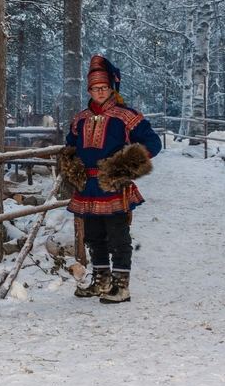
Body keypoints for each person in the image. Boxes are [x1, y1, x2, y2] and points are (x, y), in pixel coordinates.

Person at [59, 55, 161, 304]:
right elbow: (69, 147)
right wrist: (72, 168)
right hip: (88, 186)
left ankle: (121, 286)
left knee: (118, 235)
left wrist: (125, 166)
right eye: (95, 88)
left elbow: (153, 143)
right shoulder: (80, 119)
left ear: (111, 88)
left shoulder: (127, 116)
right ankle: (101, 281)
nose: (100, 91)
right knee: (93, 235)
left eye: (104, 87)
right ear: (90, 90)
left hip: (114, 184)